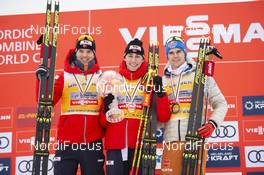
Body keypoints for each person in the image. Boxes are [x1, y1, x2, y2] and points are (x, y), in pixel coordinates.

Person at [36, 34, 105, 175]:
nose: (84, 55)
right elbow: (44, 101)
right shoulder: (64, 76)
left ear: (94, 54)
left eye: (89, 52)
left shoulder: (102, 77)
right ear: (75, 52)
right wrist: (42, 80)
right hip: (67, 143)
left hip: (92, 143)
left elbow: (107, 113)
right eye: (81, 51)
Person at [100, 38, 171, 175]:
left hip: (141, 145)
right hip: (115, 145)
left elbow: (164, 116)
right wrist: (106, 109)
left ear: (143, 59)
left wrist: (161, 95)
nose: (133, 60)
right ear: (124, 57)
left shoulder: (150, 81)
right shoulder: (113, 81)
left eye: (137, 56)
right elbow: (103, 123)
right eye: (130, 56)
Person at [160, 36, 228, 175]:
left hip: (195, 139)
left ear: (185, 52)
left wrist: (212, 123)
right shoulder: (162, 80)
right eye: (171, 52)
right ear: (167, 55)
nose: (175, 56)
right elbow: (160, 118)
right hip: (171, 141)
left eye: (178, 51)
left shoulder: (201, 75)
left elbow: (221, 103)